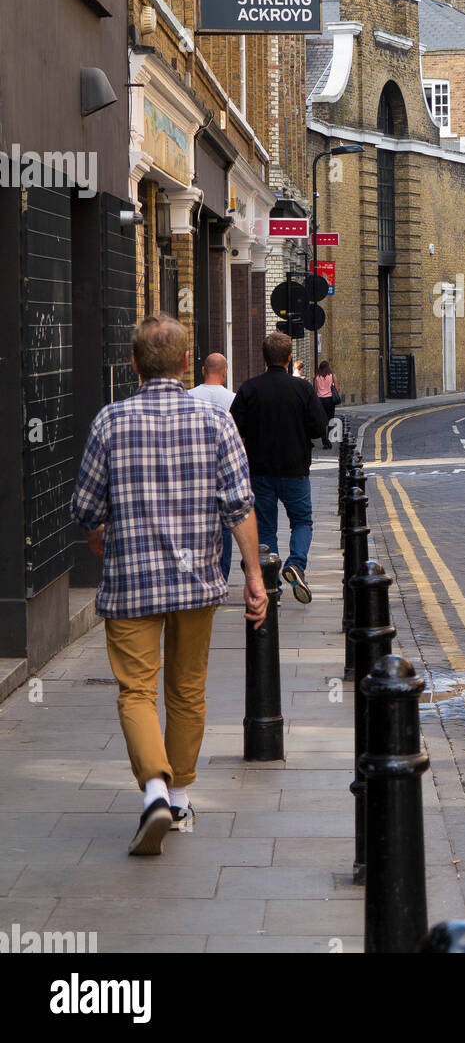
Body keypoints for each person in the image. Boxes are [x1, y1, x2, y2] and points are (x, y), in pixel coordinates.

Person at [69, 315, 266, 857]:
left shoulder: (110, 422)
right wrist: (253, 576)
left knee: (136, 691)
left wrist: (99, 533)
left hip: (131, 582)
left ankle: (153, 790)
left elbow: (85, 507)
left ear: (133, 365)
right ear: (186, 365)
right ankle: (177, 799)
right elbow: (239, 505)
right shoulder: (214, 422)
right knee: (187, 690)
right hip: (197, 580)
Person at [231, 332, 328, 604]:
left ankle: (272, 587)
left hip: (259, 470)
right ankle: (296, 564)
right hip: (295, 468)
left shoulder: (250, 389)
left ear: (263, 357)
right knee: (302, 521)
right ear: (288, 359)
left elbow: (233, 428)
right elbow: (319, 428)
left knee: (265, 529)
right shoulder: (303, 389)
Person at [189, 353, 236, 579]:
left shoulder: (187, 396)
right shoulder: (233, 399)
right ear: (225, 372)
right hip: (222, 469)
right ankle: (222, 575)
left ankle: (197, 571)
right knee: (225, 525)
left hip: (193, 470)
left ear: (203, 371)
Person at [314, 360, 339, 450]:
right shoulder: (332, 376)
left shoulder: (317, 377)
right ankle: (329, 439)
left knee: (322, 422)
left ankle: (325, 441)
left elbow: (315, 390)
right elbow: (336, 389)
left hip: (320, 400)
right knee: (330, 420)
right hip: (329, 400)